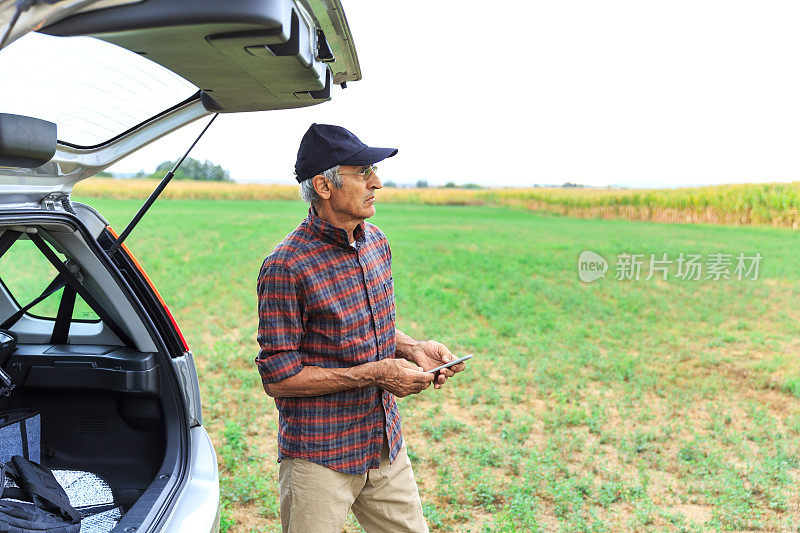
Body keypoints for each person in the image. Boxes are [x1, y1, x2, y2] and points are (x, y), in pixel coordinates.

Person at [255, 123, 466, 533]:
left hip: (383, 443)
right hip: (320, 454)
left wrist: (412, 349)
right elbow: (278, 379)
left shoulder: (376, 243)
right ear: (323, 186)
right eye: (362, 172)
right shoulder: (286, 266)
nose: (378, 182)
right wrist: (377, 372)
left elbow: (368, 326)